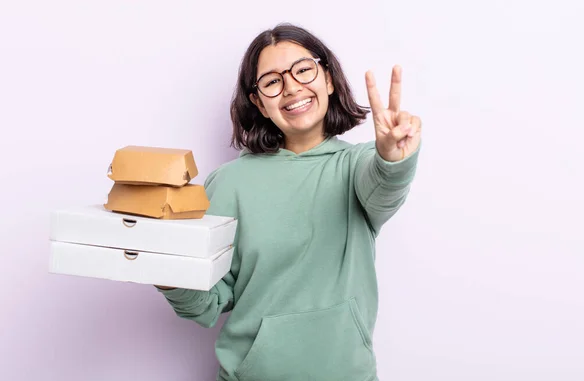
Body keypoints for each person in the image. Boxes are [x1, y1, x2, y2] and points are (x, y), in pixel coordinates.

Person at [155, 23, 422, 381]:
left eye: (303, 70)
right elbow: (208, 302)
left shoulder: (358, 167)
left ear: (327, 78)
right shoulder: (230, 183)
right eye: (272, 81)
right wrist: (166, 272)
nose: (292, 87)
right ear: (259, 103)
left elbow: (384, 188)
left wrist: (391, 158)